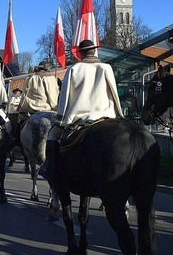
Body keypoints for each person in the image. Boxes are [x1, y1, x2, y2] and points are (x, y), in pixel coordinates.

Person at [40, 39, 124, 183]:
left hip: (78, 118)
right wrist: (119, 114)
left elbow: (65, 95)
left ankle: (50, 169)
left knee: (53, 134)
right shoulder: (106, 67)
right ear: (94, 51)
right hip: (105, 114)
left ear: (80, 54)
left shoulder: (74, 69)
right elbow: (114, 93)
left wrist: (60, 118)